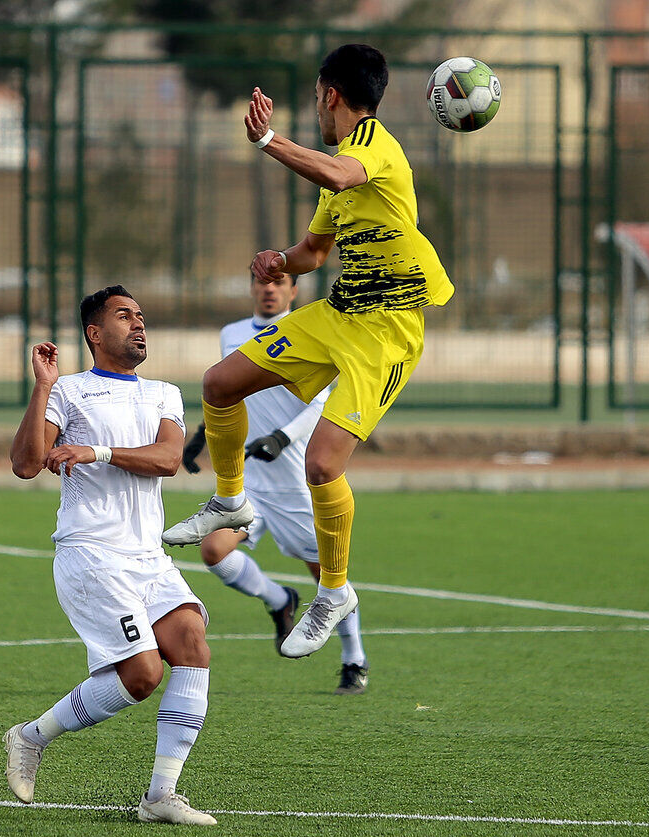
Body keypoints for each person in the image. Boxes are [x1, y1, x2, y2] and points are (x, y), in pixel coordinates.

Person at [164, 44, 454, 659]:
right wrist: (280, 261)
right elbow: (313, 254)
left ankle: (335, 592)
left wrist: (269, 140)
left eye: (317, 97)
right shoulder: (337, 163)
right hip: (337, 313)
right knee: (220, 383)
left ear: (329, 94)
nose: (315, 109)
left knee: (323, 464)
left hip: (388, 332)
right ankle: (230, 500)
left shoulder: (374, 144)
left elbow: (340, 174)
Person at [4, 285, 217, 826]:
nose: (138, 323)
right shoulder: (68, 391)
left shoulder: (165, 394)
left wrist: (94, 451)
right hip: (92, 554)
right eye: (125, 316)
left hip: (148, 556)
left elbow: (169, 459)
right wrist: (43, 388)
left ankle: (160, 797)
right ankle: (31, 737)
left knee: (192, 642)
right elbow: (26, 464)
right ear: (95, 333)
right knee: (143, 675)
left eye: (141, 316)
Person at [181, 270, 369, 693]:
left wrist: (282, 438)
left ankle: (353, 657)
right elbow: (229, 393)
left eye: (279, 282)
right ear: (252, 287)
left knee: (327, 576)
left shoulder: (311, 332)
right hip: (247, 481)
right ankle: (279, 600)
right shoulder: (231, 333)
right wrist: (199, 438)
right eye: (262, 282)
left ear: (293, 290)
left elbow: (321, 405)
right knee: (213, 551)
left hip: (292, 483)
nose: (270, 289)